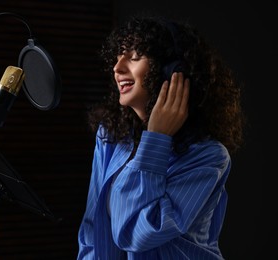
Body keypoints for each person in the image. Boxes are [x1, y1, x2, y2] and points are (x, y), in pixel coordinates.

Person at [77, 14, 245, 259]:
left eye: (134, 57)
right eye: (118, 55)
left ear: (171, 72)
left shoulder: (208, 157)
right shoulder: (110, 137)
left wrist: (155, 139)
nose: (117, 67)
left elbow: (138, 234)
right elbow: (93, 230)